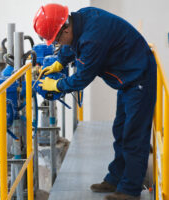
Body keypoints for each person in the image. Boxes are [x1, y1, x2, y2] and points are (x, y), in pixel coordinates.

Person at [33, 4, 156, 200]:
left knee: (133, 134)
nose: (59, 43)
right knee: (120, 129)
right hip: (127, 78)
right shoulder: (81, 18)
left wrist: (55, 86)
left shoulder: (93, 39)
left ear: (65, 28)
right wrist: (60, 61)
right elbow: (72, 44)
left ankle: (130, 190)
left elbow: (81, 79)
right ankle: (115, 178)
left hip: (139, 76)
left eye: (57, 39)